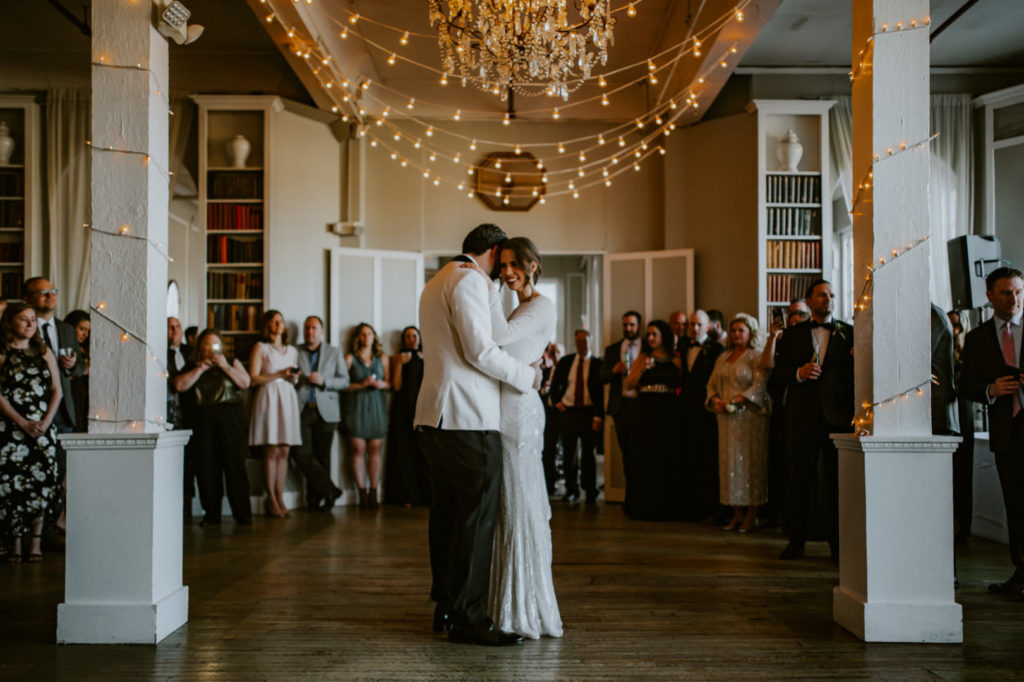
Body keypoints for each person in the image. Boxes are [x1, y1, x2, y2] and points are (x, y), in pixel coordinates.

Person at [414, 223, 539, 647]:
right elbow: (479, 349)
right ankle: (469, 618)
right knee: (476, 518)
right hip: (466, 417)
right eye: (502, 261)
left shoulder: (437, 280)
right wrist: (527, 376)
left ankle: (446, 606)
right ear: (495, 250)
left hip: (435, 415)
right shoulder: (469, 279)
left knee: (447, 515)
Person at [478, 236, 562, 639]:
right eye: (502, 266)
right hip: (508, 406)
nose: (506, 273)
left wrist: (489, 289)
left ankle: (523, 607)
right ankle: (504, 601)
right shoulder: (521, 304)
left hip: (521, 412)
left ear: (532, 264)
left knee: (521, 502)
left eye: (513, 265)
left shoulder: (541, 305)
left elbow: (499, 338)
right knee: (508, 502)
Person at [773, 279, 854, 561]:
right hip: (802, 415)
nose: (828, 299)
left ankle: (838, 545)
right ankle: (796, 540)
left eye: (831, 295)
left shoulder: (850, 334)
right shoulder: (793, 335)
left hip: (838, 418)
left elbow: (856, 378)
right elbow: (776, 375)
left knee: (837, 483)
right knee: (798, 480)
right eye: (822, 295)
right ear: (809, 301)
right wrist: (798, 372)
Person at [960, 267, 1024, 596]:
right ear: (989, 296)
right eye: (1005, 293)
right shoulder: (977, 339)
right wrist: (991, 389)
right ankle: (1022, 572)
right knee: (1015, 504)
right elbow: (965, 385)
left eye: (1017, 292)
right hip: (1006, 433)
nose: (1013, 299)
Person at [0, 303, 62, 562]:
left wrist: (45, 422)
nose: (29, 324)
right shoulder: (2, 352)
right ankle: (15, 542)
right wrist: (22, 422)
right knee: (11, 484)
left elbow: (57, 390)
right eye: (23, 320)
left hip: (42, 427)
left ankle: (35, 542)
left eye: (32, 320)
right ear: (10, 323)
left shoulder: (43, 350)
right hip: (11, 428)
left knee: (42, 483)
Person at [174, 329, 252, 526]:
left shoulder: (232, 361)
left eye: (214, 345)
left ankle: (242, 514)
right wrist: (200, 369)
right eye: (206, 345)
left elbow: (245, 383)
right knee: (207, 468)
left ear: (221, 347)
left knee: (235, 466)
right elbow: (180, 386)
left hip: (230, 421)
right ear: (200, 347)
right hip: (203, 422)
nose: (210, 349)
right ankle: (211, 514)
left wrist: (225, 366)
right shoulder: (193, 365)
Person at [706, 313, 770, 533]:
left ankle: (752, 515)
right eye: (733, 331)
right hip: (726, 419)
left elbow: (759, 386)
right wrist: (716, 400)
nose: (736, 334)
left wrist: (734, 401)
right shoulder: (723, 358)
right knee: (730, 465)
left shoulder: (756, 356)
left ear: (750, 332)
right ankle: (736, 514)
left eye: (741, 330)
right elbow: (711, 384)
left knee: (750, 464)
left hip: (750, 418)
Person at [623, 319, 682, 521]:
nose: (650, 338)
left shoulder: (675, 359)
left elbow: (682, 384)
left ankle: (667, 506)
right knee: (645, 457)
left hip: (669, 411)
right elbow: (628, 386)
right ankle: (644, 506)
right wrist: (642, 370)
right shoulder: (643, 358)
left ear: (663, 336)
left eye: (654, 334)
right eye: (648, 334)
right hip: (645, 410)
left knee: (667, 457)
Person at [248, 310, 302, 518]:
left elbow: (292, 377)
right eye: (273, 321)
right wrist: (279, 374)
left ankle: (280, 495)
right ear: (267, 325)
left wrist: (292, 377)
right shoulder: (260, 348)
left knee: (285, 450)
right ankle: (270, 497)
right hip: (269, 397)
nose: (278, 325)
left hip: (287, 398)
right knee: (271, 449)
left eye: (281, 321)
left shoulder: (292, 351)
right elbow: (253, 378)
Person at [761, 300, 810, 527]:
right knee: (780, 462)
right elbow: (767, 367)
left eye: (799, 313)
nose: (793, 317)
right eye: (790, 313)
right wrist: (773, 337)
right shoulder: (782, 341)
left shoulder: (813, 339)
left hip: (806, 409)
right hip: (781, 408)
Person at [294, 315, 348, 512]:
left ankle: (317, 501)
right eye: (307, 328)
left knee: (322, 457)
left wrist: (324, 380)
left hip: (327, 411)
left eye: (314, 328)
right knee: (302, 455)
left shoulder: (334, 352)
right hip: (302, 410)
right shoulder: (295, 351)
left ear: (321, 331)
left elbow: (344, 381)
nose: (310, 331)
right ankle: (330, 490)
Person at [680, 309, 725, 521]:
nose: (694, 328)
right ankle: (692, 507)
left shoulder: (716, 349)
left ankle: (710, 508)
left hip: (706, 412)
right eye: (691, 324)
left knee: (708, 459)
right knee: (689, 459)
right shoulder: (682, 346)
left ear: (708, 327)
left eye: (698, 324)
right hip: (686, 412)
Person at [549, 329, 603, 505]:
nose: (582, 344)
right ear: (575, 342)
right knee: (569, 453)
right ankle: (572, 490)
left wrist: (598, 417)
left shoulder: (597, 364)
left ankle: (590, 490)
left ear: (590, 341)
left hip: (588, 413)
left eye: (585, 341)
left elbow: (602, 393)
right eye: (578, 341)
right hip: (569, 412)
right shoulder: (566, 362)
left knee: (588, 453)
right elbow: (554, 384)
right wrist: (557, 402)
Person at [22, 277, 83, 433]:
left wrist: (72, 365)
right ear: (27, 299)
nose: (50, 296)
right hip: (31, 406)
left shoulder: (67, 329)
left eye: (53, 291)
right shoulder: (23, 328)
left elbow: (80, 366)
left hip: (63, 409)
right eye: (43, 292)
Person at [342, 322, 390, 510]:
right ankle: (361, 491)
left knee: (375, 450)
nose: (366, 337)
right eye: (362, 334)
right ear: (357, 338)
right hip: (356, 406)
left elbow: (390, 383)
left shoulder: (382, 359)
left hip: (376, 406)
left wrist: (380, 385)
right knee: (357, 449)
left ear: (374, 337)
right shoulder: (349, 358)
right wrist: (361, 384)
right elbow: (343, 385)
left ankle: (374, 491)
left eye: (369, 333)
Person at [601, 311, 643, 515]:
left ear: (639, 326)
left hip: (642, 406)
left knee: (641, 454)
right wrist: (613, 372)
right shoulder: (612, 350)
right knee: (627, 455)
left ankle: (642, 499)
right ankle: (630, 499)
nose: (628, 329)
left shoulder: (647, 348)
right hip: (621, 408)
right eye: (625, 325)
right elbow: (600, 378)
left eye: (632, 325)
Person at [384, 325, 430, 507]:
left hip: (422, 410)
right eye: (408, 336)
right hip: (402, 412)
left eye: (414, 336)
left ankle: (425, 496)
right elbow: (395, 386)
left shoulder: (427, 358)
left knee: (424, 454)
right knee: (403, 453)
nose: (412, 339)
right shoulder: (397, 359)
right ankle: (405, 496)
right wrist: (399, 365)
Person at [539, 342, 564, 496]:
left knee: (566, 452)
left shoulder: (567, 370)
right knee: (548, 450)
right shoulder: (545, 371)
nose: (555, 355)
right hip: (548, 414)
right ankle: (549, 483)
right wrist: (544, 389)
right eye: (552, 352)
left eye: (558, 352)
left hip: (563, 413)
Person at [63, 309, 91, 434]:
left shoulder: (89, 347)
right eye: (82, 329)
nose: (85, 334)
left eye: (88, 331)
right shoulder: (64, 347)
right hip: (72, 392)